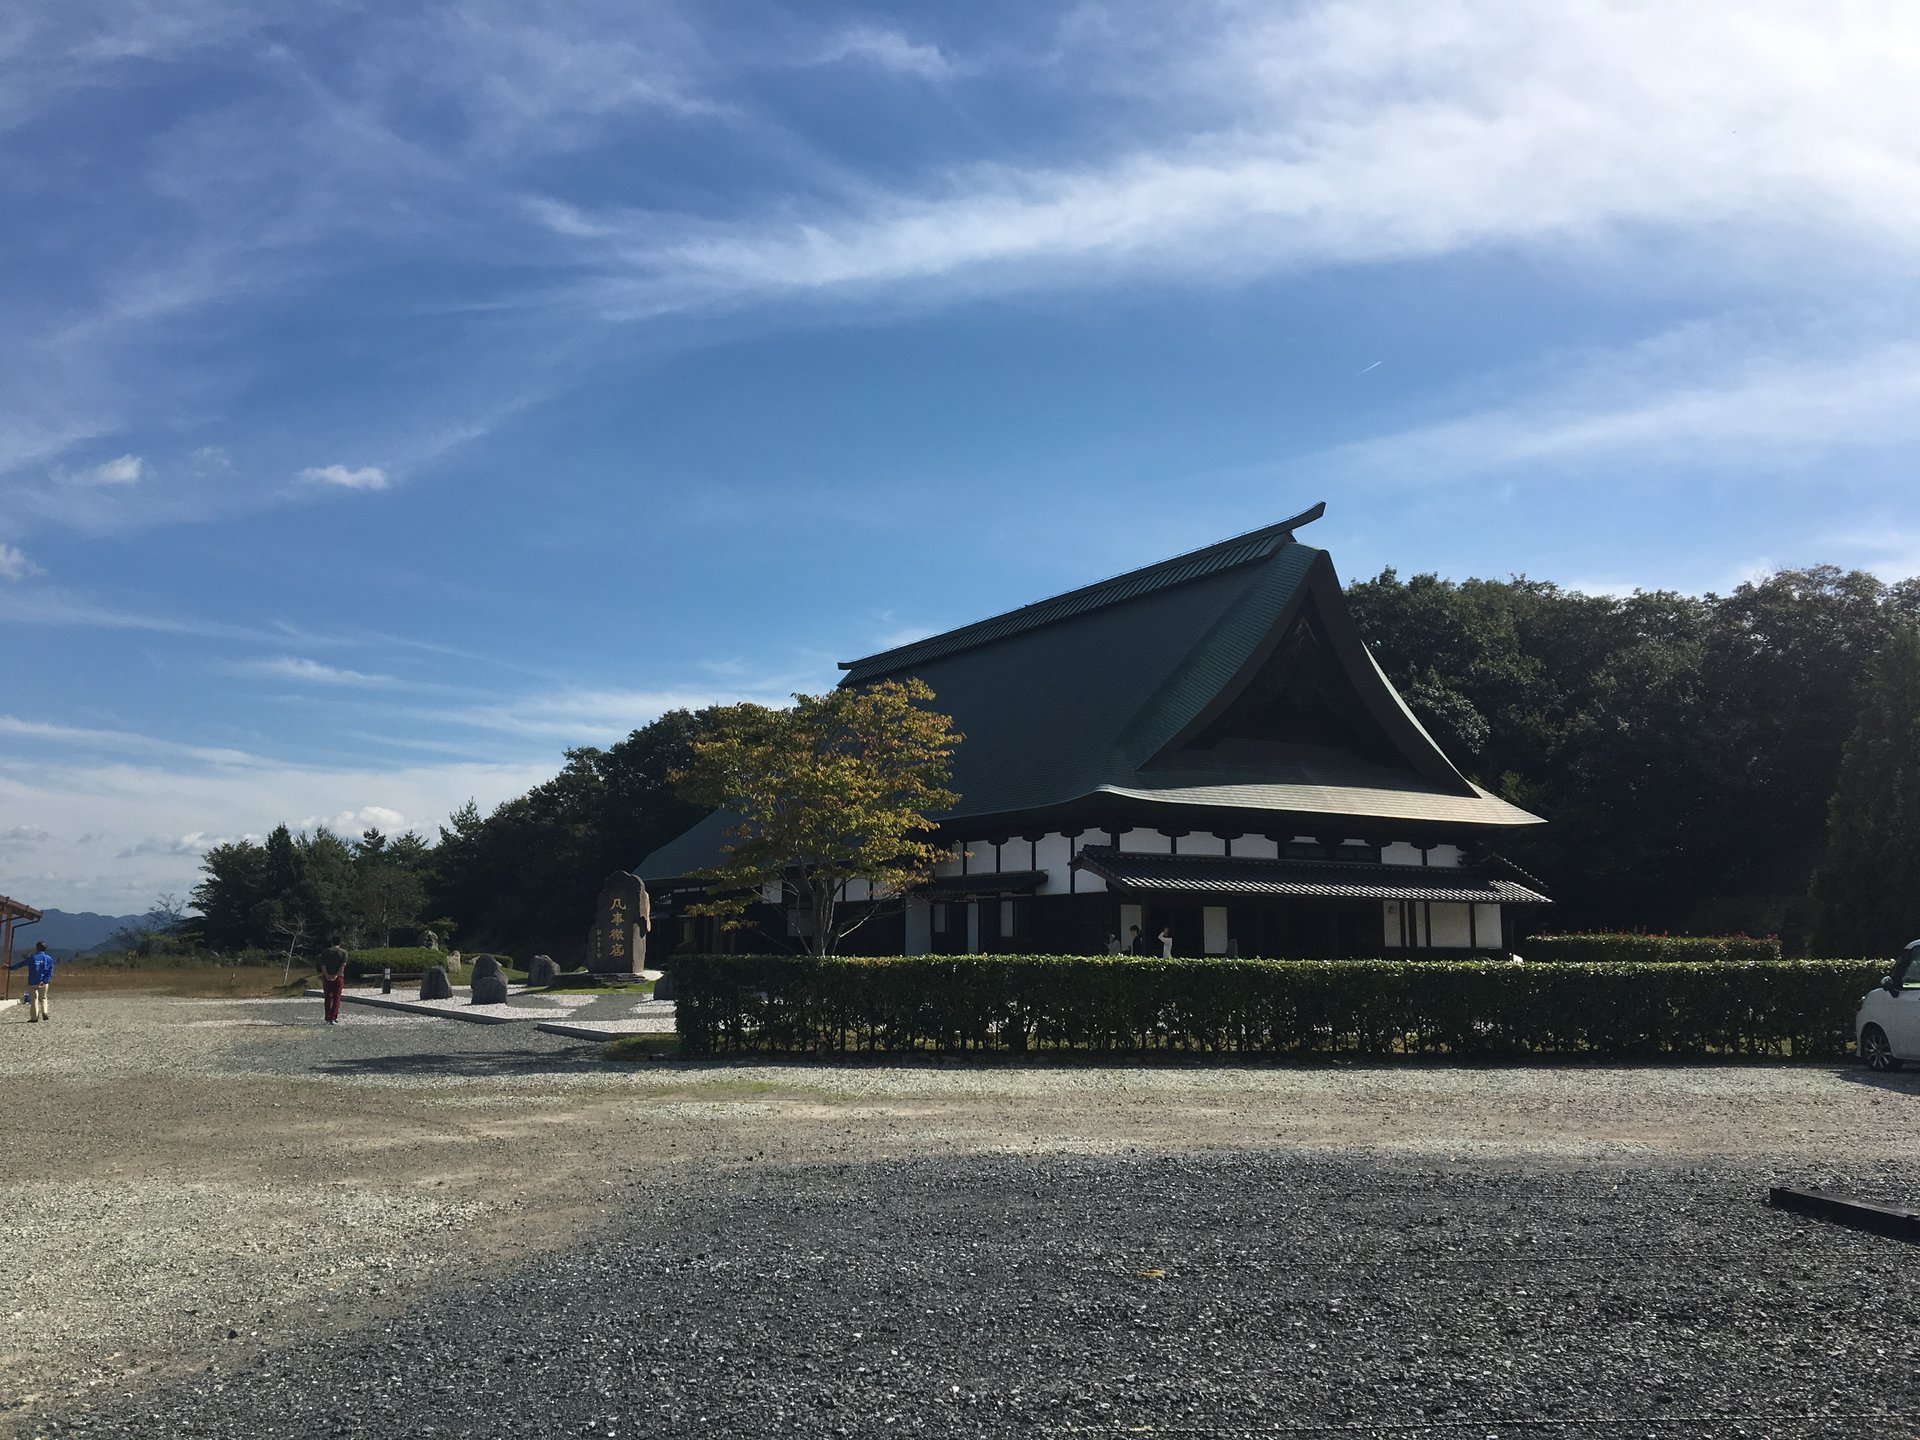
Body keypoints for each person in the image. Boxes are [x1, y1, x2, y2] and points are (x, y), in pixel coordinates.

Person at [9, 941, 55, 1023]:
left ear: (37, 948)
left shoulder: (33, 958)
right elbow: (50, 971)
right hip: (43, 982)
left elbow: (21, 964)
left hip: (33, 981)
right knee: (43, 998)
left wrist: (10, 968)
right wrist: (45, 980)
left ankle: (34, 1017)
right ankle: (44, 1012)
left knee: (34, 1000)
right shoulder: (49, 958)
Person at [318, 941, 350, 1026]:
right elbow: (343, 965)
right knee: (337, 997)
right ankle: (333, 1017)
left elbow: (322, 965)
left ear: (332, 942)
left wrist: (326, 974)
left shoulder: (325, 952)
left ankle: (327, 1017)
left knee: (328, 996)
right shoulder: (343, 952)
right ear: (340, 943)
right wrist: (336, 975)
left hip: (327, 976)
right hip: (339, 976)